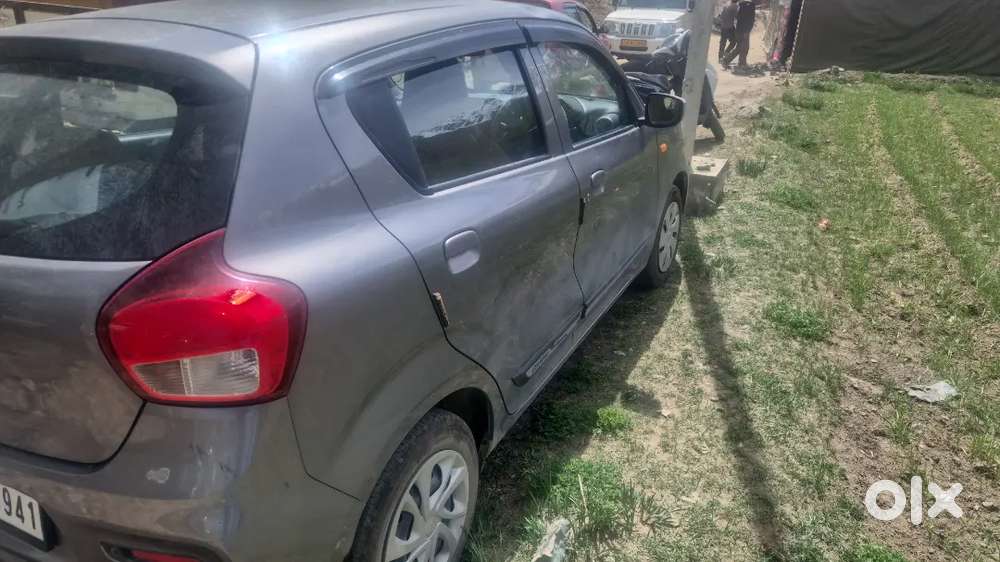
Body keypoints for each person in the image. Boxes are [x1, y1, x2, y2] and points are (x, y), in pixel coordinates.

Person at [723, 0, 756, 69]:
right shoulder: (750, 6)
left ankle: (738, 62)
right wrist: (747, 31)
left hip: (739, 30)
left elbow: (738, 17)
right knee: (744, 47)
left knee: (740, 47)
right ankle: (739, 62)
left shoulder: (742, 6)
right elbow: (750, 20)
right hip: (744, 31)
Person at [718, 0, 738, 65]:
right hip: (729, 27)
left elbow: (721, 16)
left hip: (724, 26)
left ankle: (720, 57)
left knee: (723, 42)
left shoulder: (727, 6)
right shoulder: (735, 6)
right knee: (733, 41)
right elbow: (737, 17)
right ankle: (726, 53)